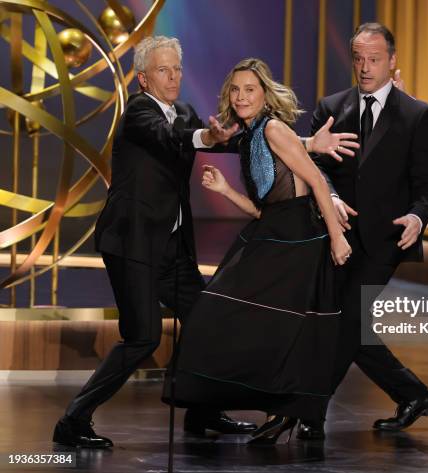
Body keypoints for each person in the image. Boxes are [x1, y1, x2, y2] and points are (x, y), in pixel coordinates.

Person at [52, 36, 356, 448]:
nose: (174, 76)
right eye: (164, 70)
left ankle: (204, 412)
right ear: (143, 78)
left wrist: (306, 144)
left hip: (171, 247)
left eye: (177, 68)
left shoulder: (184, 112)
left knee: (207, 318)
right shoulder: (138, 113)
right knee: (142, 337)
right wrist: (207, 140)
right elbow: (177, 136)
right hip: (133, 243)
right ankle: (73, 419)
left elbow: (246, 138)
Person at [163, 57, 352, 444]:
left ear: (264, 94)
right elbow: (263, 207)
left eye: (249, 89)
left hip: (297, 238)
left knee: (279, 328)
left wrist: (337, 237)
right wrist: (225, 192)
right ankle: (266, 411)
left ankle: (282, 412)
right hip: (269, 230)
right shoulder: (247, 136)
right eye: (235, 89)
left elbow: (316, 179)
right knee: (242, 320)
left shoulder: (274, 129)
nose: (241, 96)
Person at [299, 22, 428, 440]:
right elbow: (316, 168)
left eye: (374, 59)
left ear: (392, 61)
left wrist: (417, 217)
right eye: (358, 58)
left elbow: (427, 184)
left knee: (347, 320)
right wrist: (330, 196)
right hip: (337, 233)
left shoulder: (415, 114)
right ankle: (414, 394)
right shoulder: (331, 106)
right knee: (348, 322)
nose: (364, 67)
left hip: (386, 238)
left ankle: (309, 410)